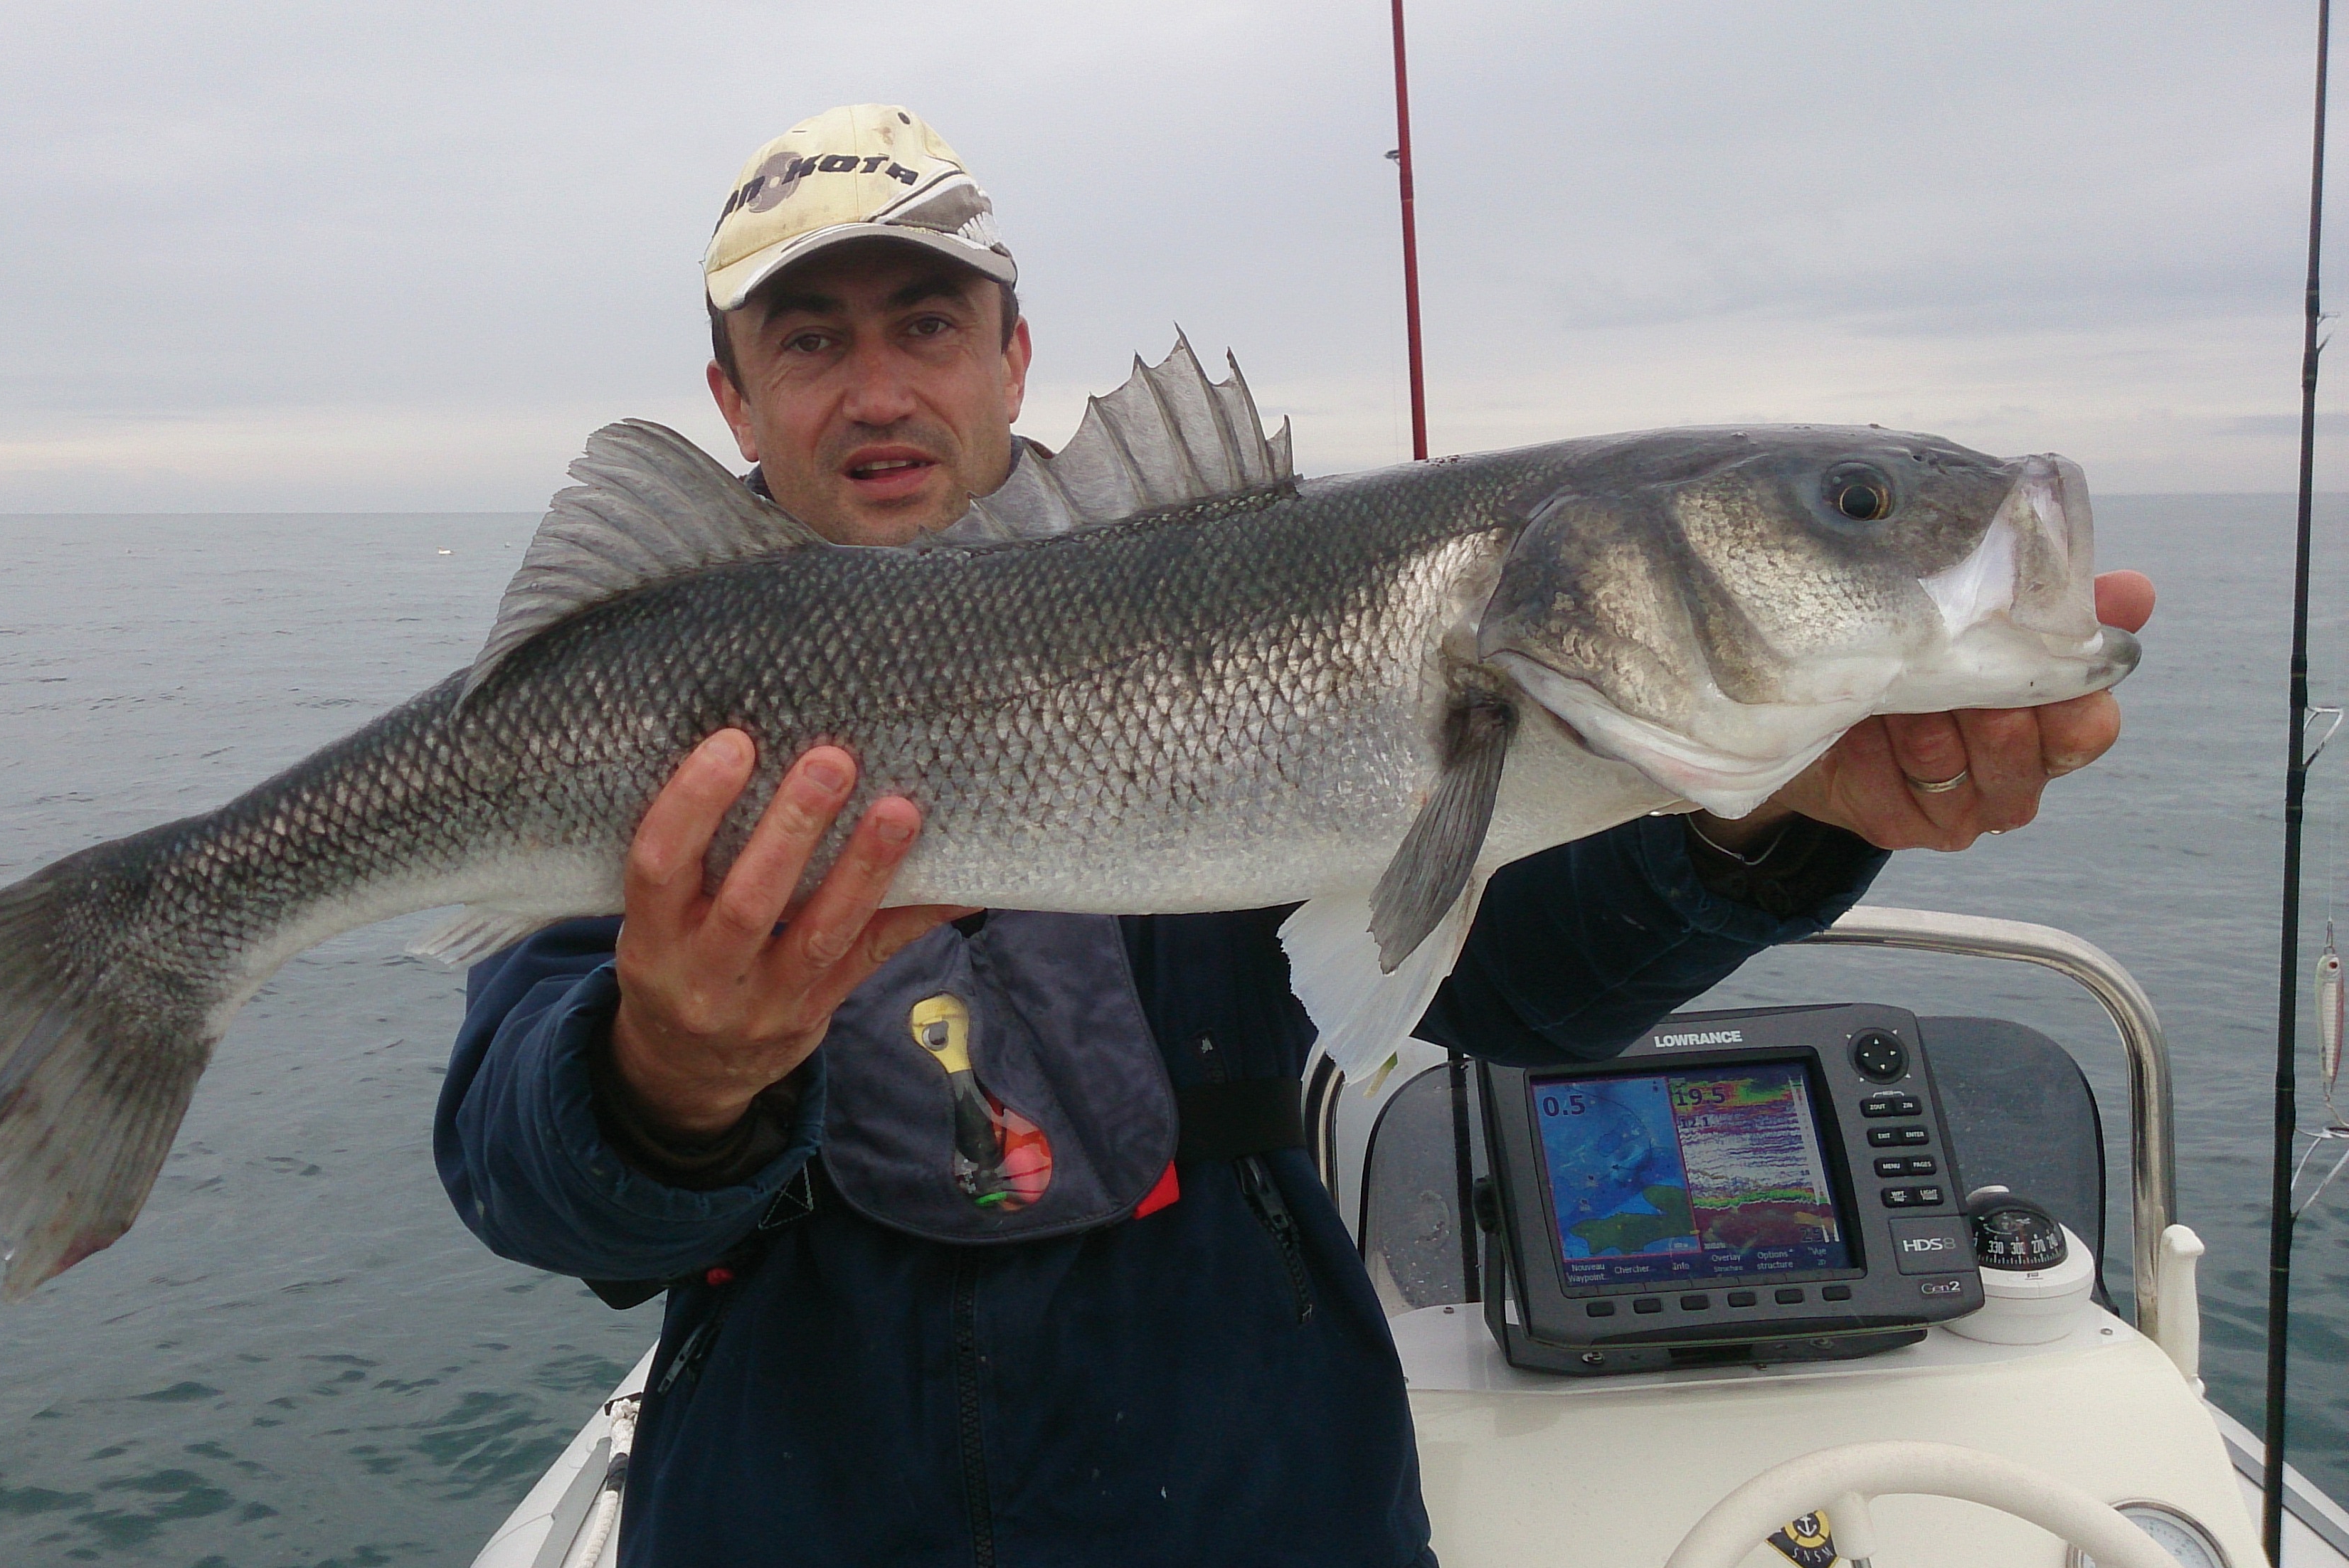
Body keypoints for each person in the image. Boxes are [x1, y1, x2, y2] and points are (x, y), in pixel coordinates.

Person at [437, 105, 2154, 1567]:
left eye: (927, 324)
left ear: (1013, 355)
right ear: (729, 401)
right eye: (810, 341)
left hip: (1252, 1478)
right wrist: (665, 1083)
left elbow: (1511, 985)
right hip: (788, 1493)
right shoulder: (638, 708)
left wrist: (1750, 834)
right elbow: (522, 1174)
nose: (877, 385)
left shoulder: (1227, 581)